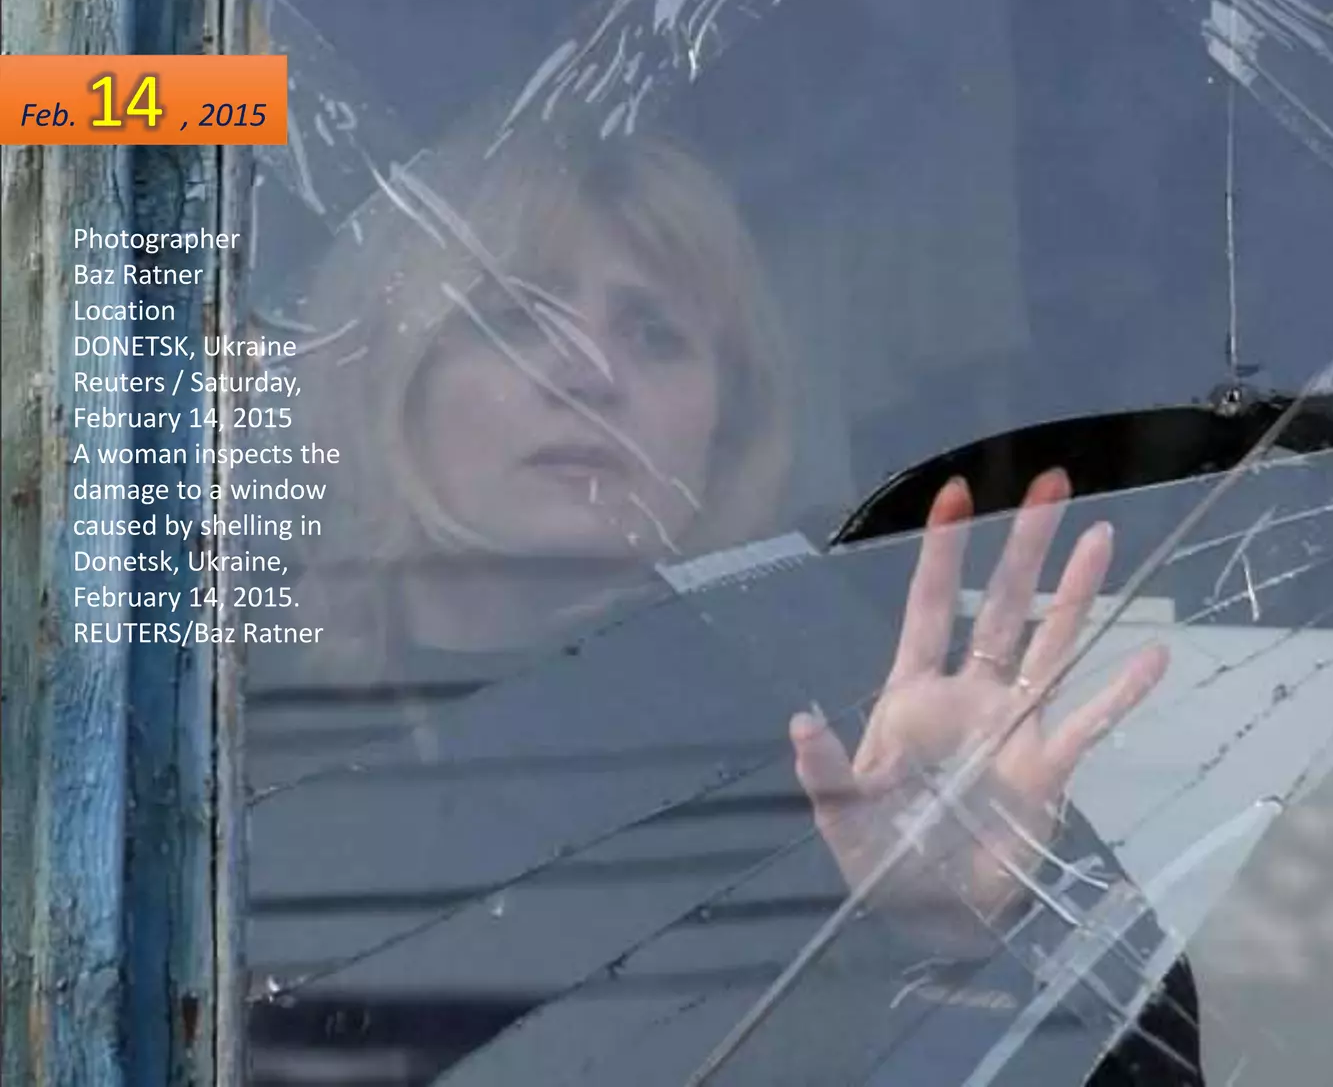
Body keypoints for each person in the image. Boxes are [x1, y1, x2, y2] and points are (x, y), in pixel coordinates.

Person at [242, 124, 1204, 1085]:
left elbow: (1148, 1058)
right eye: (512, 318)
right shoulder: (214, 723)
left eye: (654, 334)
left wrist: (963, 934)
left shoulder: (854, 733)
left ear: (726, 423)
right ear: (384, 382)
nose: (587, 372)